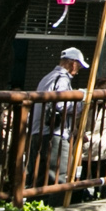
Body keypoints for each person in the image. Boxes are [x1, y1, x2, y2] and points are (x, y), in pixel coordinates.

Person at [33, 46, 86, 187]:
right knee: (58, 174)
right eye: (78, 67)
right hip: (53, 133)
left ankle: (37, 205)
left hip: (40, 131)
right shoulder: (61, 79)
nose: (77, 72)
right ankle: (54, 206)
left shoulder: (48, 77)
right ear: (73, 64)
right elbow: (61, 105)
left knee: (40, 176)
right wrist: (82, 104)